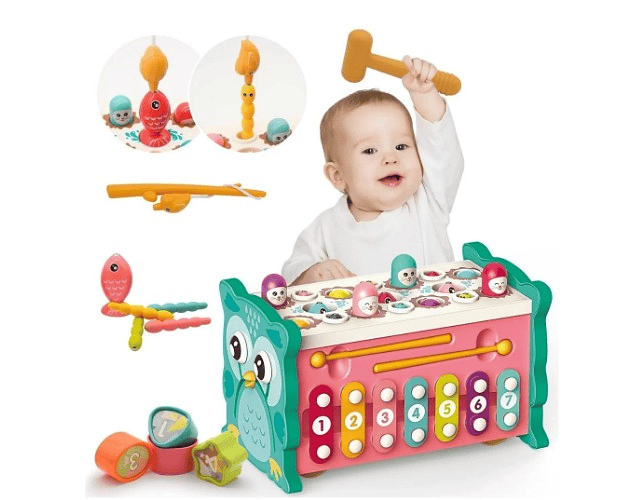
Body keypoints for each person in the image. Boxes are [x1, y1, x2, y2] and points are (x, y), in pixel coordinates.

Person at [282, 57, 464, 285]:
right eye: (370, 151)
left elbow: (442, 152)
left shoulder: (429, 203)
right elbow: (292, 275)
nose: (390, 158)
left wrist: (424, 95)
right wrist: (313, 273)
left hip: (436, 308)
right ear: (338, 176)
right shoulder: (325, 228)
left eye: (401, 146)